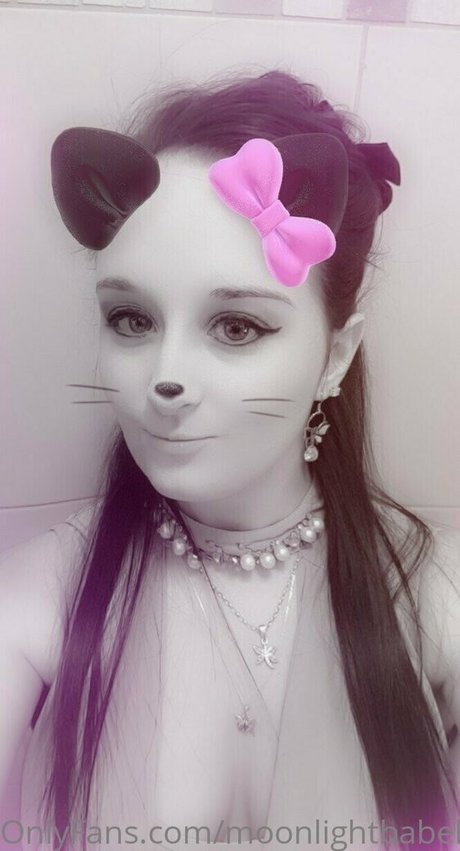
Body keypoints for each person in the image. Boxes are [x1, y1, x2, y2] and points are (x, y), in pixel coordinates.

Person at [1, 68, 459, 851]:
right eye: (131, 318)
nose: (165, 376)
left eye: (238, 326)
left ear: (335, 356)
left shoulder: (433, 595)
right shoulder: (39, 600)